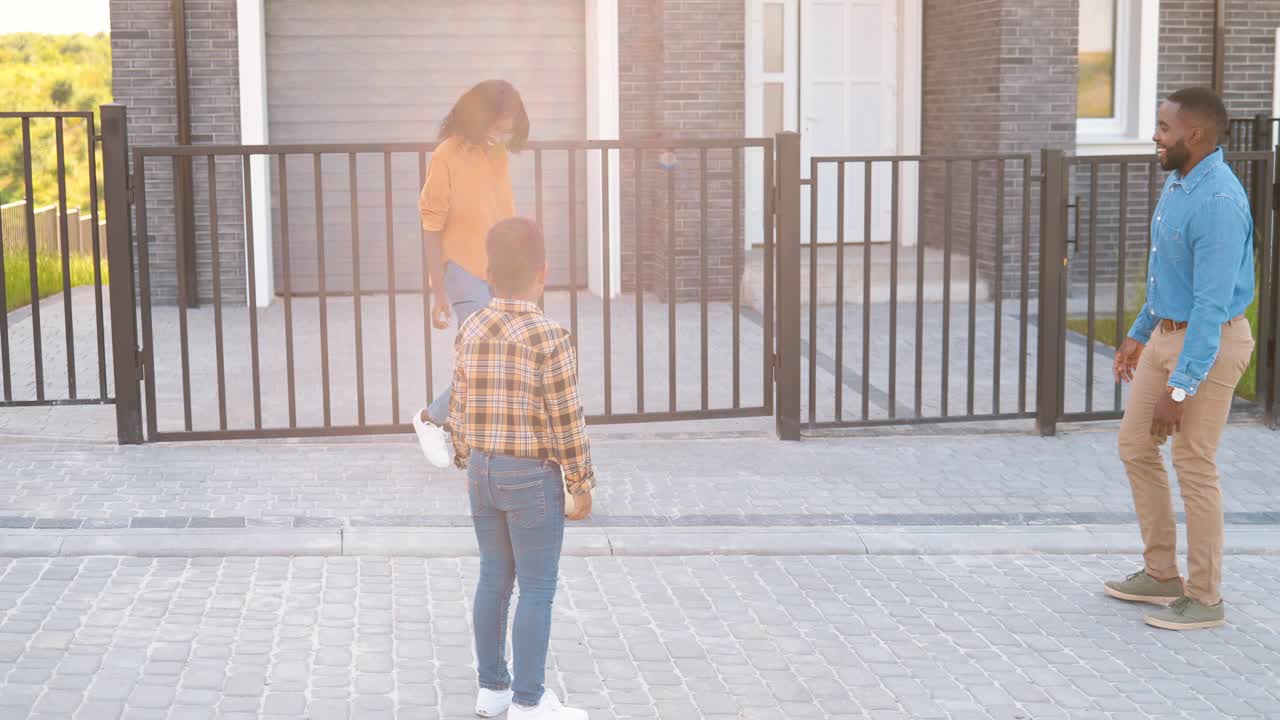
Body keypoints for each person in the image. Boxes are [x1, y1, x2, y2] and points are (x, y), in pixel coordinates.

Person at [1105, 87, 1257, 631]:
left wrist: (1179, 390)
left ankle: (1206, 596)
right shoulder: (1178, 181)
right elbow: (1170, 275)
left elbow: (1211, 305)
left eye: (1164, 127)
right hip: (1169, 333)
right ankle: (1161, 573)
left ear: (1195, 134)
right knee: (1135, 445)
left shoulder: (1217, 201)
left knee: (1194, 462)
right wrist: (1139, 333)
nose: (1155, 134)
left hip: (1209, 343)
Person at [449, 217, 596, 719]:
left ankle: (492, 690)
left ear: (487, 272)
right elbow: (566, 417)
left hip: (482, 474)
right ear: (543, 272)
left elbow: (461, 404)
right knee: (536, 587)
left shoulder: (471, 327)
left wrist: (467, 458)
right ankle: (530, 702)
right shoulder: (550, 335)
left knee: (494, 578)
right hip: (531, 477)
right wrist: (580, 481)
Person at [413, 79, 529, 468]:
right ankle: (432, 420)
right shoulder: (446, 155)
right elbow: (431, 225)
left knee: (502, 359)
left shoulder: (498, 157)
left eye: (508, 128)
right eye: (497, 126)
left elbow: (505, 216)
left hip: (498, 270)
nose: (502, 135)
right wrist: (438, 291)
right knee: (487, 357)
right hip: (461, 270)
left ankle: (453, 426)